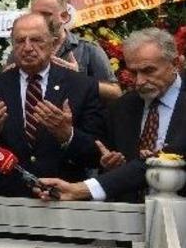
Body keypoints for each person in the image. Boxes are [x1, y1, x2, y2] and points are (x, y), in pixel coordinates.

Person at [36, 28, 184, 201]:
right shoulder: (122, 107)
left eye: (149, 71)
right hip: (127, 216)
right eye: (133, 72)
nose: (139, 81)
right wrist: (67, 134)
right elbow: (97, 151)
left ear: (176, 64)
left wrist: (82, 189)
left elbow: (170, 155)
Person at [0, 13, 105, 197]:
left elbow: (97, 155)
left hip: (62, 201)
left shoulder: (81, 86)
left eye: (36, 40)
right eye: (19, 41)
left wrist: (68, 136)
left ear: (53, 43)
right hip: (6, 201)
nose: (27, 48)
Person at [8, 0, 122, 101]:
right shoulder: (21, 51)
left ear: (64, 17)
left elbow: (115, 93)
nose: (39, 21)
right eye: (35, 15)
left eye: (46, 15)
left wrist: (78, 79)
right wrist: (8, 78)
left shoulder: (88, 49)